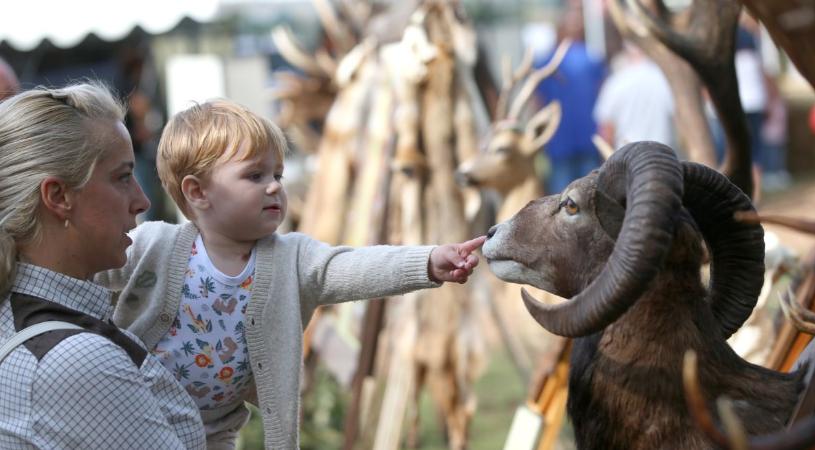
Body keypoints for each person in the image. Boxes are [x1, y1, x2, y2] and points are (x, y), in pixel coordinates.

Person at [95, 99, 485, 449]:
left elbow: (352, 266)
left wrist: (427, 261)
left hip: (211, 433)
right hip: (133, 418)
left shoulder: (292, 259)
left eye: (277, 175)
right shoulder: (152, 246)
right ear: (198, 193)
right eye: (255, 176)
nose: (273, 189)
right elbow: (80, 271)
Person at [0, 83, 205, 448]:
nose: (141, 201)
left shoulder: (21, 317)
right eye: (123, 177)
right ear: (58, 196)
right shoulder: (75, 359)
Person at [529, 6, 606, 194]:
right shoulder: (592, 59)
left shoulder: (544, 62)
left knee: (561, 202)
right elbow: (603, 98)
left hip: (559, 144)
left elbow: (537, 104)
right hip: (586, 141)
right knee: (590, 199)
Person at [594, 43, 676, 149]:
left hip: (628, 156)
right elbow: (678, 118)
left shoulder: (616, 82)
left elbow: (606, 128)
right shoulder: (664, 80)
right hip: (663, 153)